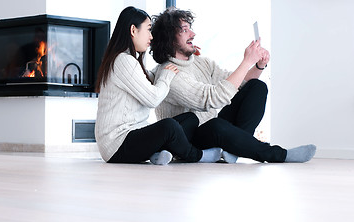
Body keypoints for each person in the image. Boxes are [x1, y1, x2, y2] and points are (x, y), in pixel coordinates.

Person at [149, 7, 316, 163]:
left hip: (213, 130)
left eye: (189, 28)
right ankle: (279, 155)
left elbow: (237, 84)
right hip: (189, 139)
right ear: (170, 40)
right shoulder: (169, 73)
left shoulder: (202, 63)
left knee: (257, 87)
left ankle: (234, 150)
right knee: (216, 125)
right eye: (184, 30)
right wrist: (246, 60)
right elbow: (211, 99)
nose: (192, 33)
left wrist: (258, 65)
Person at [95, 6, 223, 165]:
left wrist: (184, 54)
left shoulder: (127, 60)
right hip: (116, 144)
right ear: (133, 30)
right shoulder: (124, 60)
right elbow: (153, 98)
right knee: (169, 126)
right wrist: (167, 74)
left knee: (189, 118)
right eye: (148, 30)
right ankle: (197, 155)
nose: (151, 36)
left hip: (130, 138)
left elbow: (151, 79)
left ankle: (158, 153)